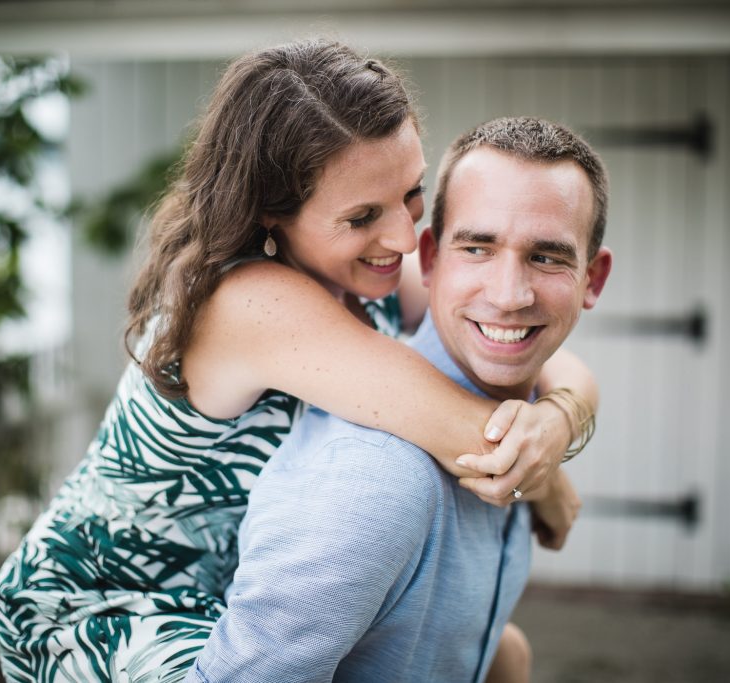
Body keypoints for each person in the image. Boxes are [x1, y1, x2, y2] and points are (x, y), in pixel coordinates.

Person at [0, 41, 596, 683]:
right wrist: (549, 479)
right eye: (362, 215)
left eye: (410, 193)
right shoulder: (247, 300)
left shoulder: (368, 270)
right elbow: (478, 439)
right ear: (270, 214)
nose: (400, 237)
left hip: (240, 590)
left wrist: (559, 420)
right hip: (110, 607)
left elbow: (544, 351)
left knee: (504, 656)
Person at [184, 115, 613, 683]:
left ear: (593, 279)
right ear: (434, 261)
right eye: (478, 247)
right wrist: (544, 469)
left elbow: (559, 373)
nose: (509, 296)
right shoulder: (377, 476)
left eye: (548, 256)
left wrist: (559, 421)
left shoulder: (389, 298)